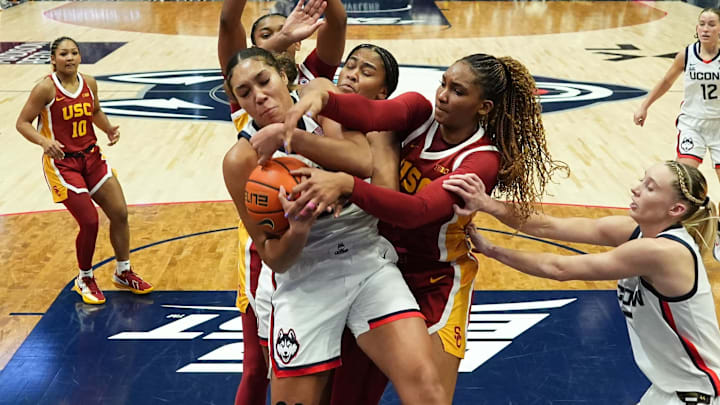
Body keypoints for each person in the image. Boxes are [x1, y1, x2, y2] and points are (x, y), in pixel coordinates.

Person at [280, 53, 567, 402]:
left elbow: (418, 212)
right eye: (443, 83)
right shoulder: (419, 112)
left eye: (458, 91)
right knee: (349, 395)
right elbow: (371, 113)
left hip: (437, 280)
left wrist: (347, 185)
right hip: (378, 268)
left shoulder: (480, 160)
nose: (443, 95)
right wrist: (323, 97)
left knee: (429, 396)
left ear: (484, 107)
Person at [222, 47, 447, 405]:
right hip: (303, 277)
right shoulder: (241, 160)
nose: (259, 96)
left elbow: (361, 160)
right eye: (245, 93)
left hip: (366, 262)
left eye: (264, 81)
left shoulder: (323, 99)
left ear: (284, 75)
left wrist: (287, 135)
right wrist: (298, 228)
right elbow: (275, 258)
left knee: (427, 388)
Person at [448, 161, 720, 405]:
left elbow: (559, 268)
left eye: (650, 188)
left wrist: (493, 250)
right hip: (670, 389)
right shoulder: (634, 232)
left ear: (675, 209)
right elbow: (548, 227)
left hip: (698, 395)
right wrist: (488, 204)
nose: (636, 189)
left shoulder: (661, 253)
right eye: (642, 180)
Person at [218, 1, 346, 403]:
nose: (286, 32)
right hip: (270, 240)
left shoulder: (315, 83)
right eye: (267, 34)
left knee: (335, 374)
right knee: (259, 367)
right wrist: (283, 38)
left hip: (336, 252)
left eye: (285, 28)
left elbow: (337, 21)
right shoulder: (248, 99)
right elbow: (230, 27)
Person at [15, 36, 153, 305]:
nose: (69, 58)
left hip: (92, 157)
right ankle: (85, 278)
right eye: (63, 54)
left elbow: (95, 111)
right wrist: (44, 141)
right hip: (63, 164)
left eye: (74, 53)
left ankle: (123, 272)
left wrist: (108, 128)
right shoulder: (45, 89)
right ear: (53, 59)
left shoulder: (89, 82)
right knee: (89, 221)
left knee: (120, 213)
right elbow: (22, 123)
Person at [634, 9, 720, 181]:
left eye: (711, 25)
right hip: (693, 124)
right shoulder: (687, 55)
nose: (705, 29)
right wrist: (644, 106)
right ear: (696, 28)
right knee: (684, 182)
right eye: (702, 24)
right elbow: (666, 81)